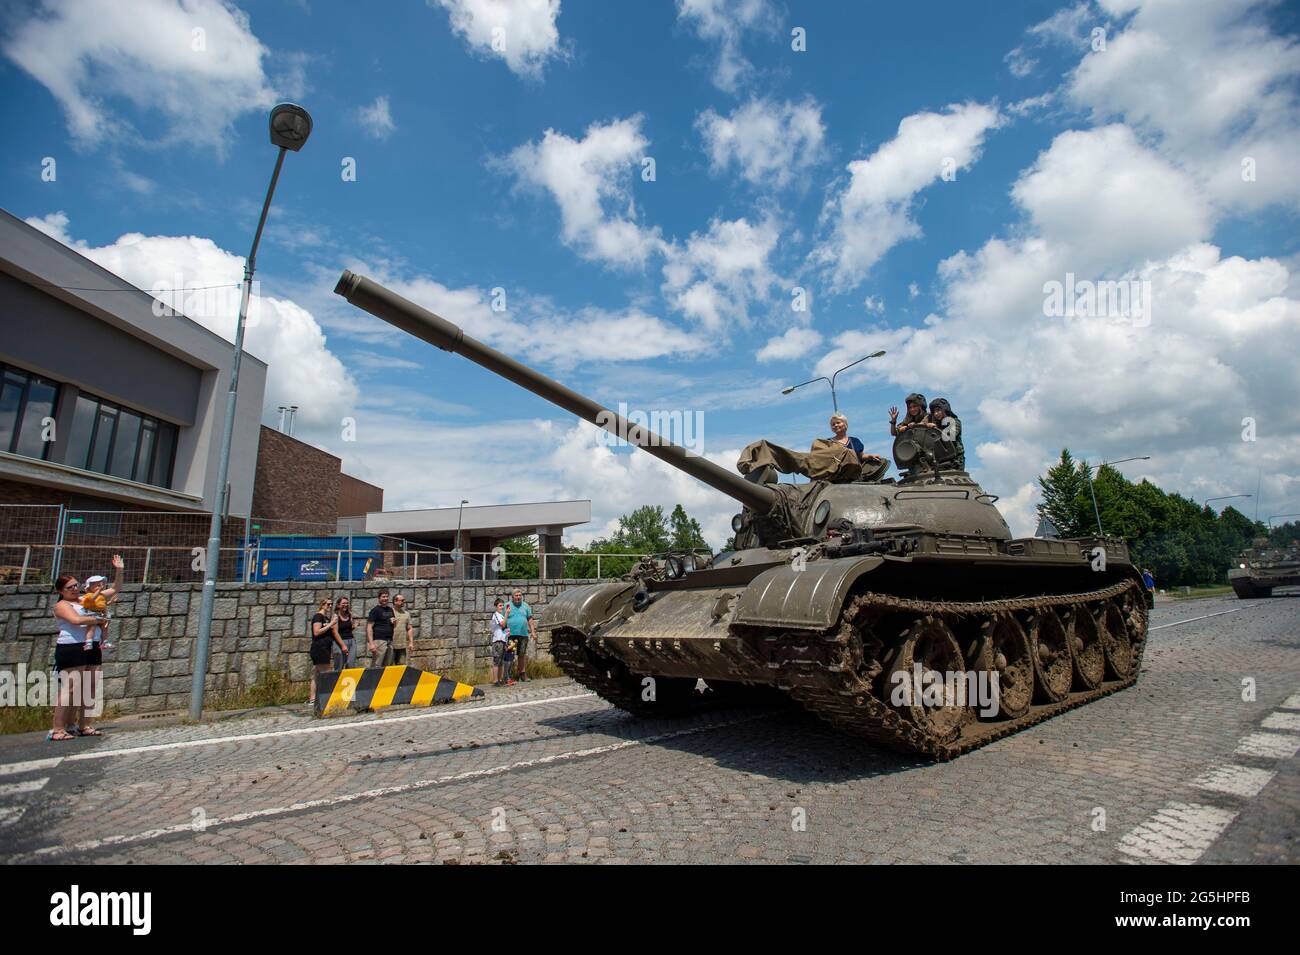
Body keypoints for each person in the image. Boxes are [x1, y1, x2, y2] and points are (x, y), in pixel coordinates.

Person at [49, 560, 121, 741]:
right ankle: (58, 729)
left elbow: (114, 589)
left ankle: (84, 725)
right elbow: (75, 620)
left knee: (90, 687)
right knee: (71, 688)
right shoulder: (62, 605)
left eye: (76, 585)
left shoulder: (85, 599)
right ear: (61, 591)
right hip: (71, 647)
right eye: (69, 587)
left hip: (93, 645)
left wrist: (119, 571)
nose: (74, 589)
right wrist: (98, 618)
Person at [309, 597, 348, 707]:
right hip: (319, 648)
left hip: (325, 647)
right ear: (322, 605)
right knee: (326, 673)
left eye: (331, 604)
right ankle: (325, 697)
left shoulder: (325, 618)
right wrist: (331, 624)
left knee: (317, 674)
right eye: (328, 604)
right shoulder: (318, 616)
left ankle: (313, 698)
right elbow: (316, 632)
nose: (330, 606)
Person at [505, 588, 536, 681]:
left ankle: (522, 674)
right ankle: (508, 676)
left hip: (523, 635)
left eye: (520, 595)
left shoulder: (526, 606)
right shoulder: (507, 605)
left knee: (521, 655)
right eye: (516, 595)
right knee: (510, 655)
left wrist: (533, 632)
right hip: (511, 635)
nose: (518, 597)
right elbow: (503, 619)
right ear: (512, 597)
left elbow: (530, 619)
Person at [924, 397, 964, 469]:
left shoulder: (955, 421)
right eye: (934, 412)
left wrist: (936, 429)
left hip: (955, 460)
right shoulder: (938, 424)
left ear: (945, 409)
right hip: (940, 460)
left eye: (938, 410)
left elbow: (950, 436)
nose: (936, 414)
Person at [367, 589, 396, 667]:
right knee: (377, 664)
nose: (385, 598)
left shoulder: (390, 610)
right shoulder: (375, 610)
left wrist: (394, 622)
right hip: (379, 640)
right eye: (383, 597)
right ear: (379, 598)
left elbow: (393, 625)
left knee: (388, 664)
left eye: (387, 597)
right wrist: (371, 643)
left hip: (389, 640)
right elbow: (369, 627)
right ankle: (374, 679)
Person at [490, 597, 512, 686]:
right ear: (496, 606)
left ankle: (500, 680)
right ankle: (495, 681)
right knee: (497, 661)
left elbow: (504, 627)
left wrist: (507, 633)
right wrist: (506, 613)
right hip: (498, 641)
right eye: (500, 605)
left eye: (503, 605)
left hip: (503, 641)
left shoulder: (501, 615)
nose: (502, 607)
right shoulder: (496, 615)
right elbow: (502, 624)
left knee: (501, 662)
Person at [332, 596, 356, 671]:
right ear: (338, 605)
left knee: (351, 664)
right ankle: (336, 681)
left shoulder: (349, 615)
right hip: (339, 642)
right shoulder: (335, 616)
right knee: (339, 665)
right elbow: (335, 632)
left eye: (347, 603)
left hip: (351, 641)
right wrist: (343, 645)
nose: (345, 605)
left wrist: (354, 626)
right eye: (343, 603)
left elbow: (350, 627)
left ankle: (349, 681)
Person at [390, 593, 414, 666]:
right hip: (390, 645)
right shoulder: (389, 612)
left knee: (401, 667)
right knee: (390, 666)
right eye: (402, 600)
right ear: (395, 601)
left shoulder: (406, 614)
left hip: (402, 645)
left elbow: (409, 628)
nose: (404, 602)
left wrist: (411, 642)